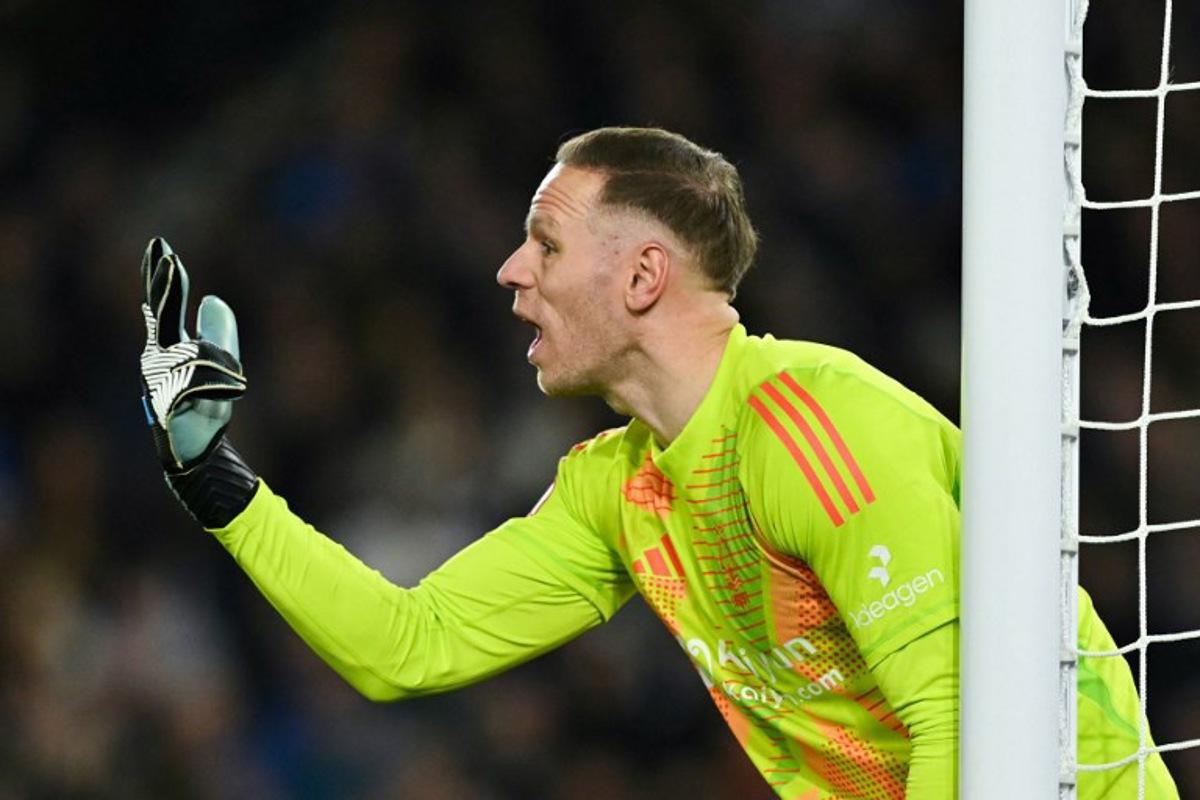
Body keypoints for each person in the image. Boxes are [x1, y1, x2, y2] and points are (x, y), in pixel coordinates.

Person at [138, 127, 1176, 799]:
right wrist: (220, 484)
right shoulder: (616, 489)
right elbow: (410, 643)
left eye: (543, 243)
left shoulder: (816, 427)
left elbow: (963, 725)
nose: (509, 271)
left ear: (641, 275)